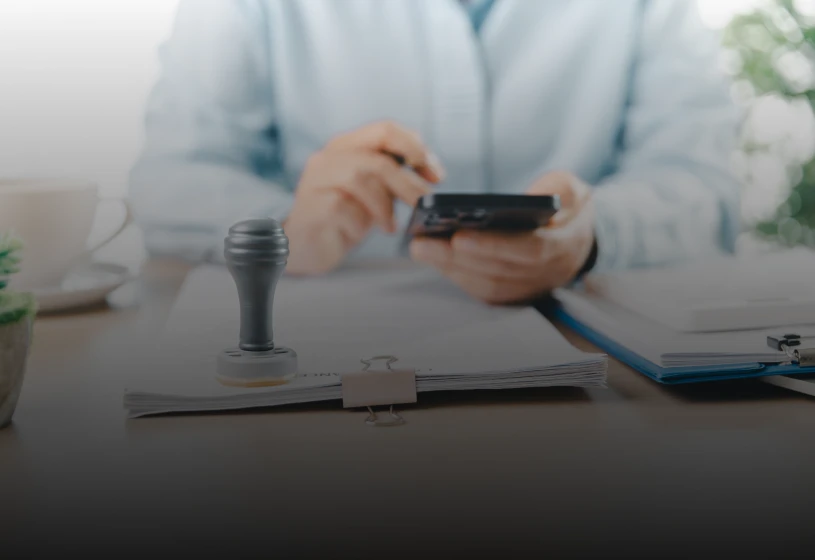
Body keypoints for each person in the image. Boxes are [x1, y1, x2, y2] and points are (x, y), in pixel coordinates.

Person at [130, 0, 741, 305]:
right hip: (328, 356)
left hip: (598, 367)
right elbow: (170, 179)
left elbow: (702, 183)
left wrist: (593, 235)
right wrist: (287, 228)